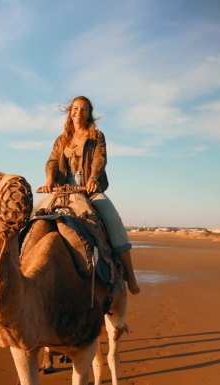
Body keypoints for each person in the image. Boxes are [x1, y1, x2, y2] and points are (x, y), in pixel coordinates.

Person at [38, 96, 140, 294]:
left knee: (112, 219)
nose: (78, 112)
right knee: (34, 215)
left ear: (89, 114)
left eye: (84, 109)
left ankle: (130, 276)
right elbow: (51, 161)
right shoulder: (61, 139)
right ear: (70, 112)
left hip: (89, 190)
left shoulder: (96, 136)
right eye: (75, 108)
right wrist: (50, 179)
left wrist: (93, 178)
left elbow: (99, 159)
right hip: (63, 190)